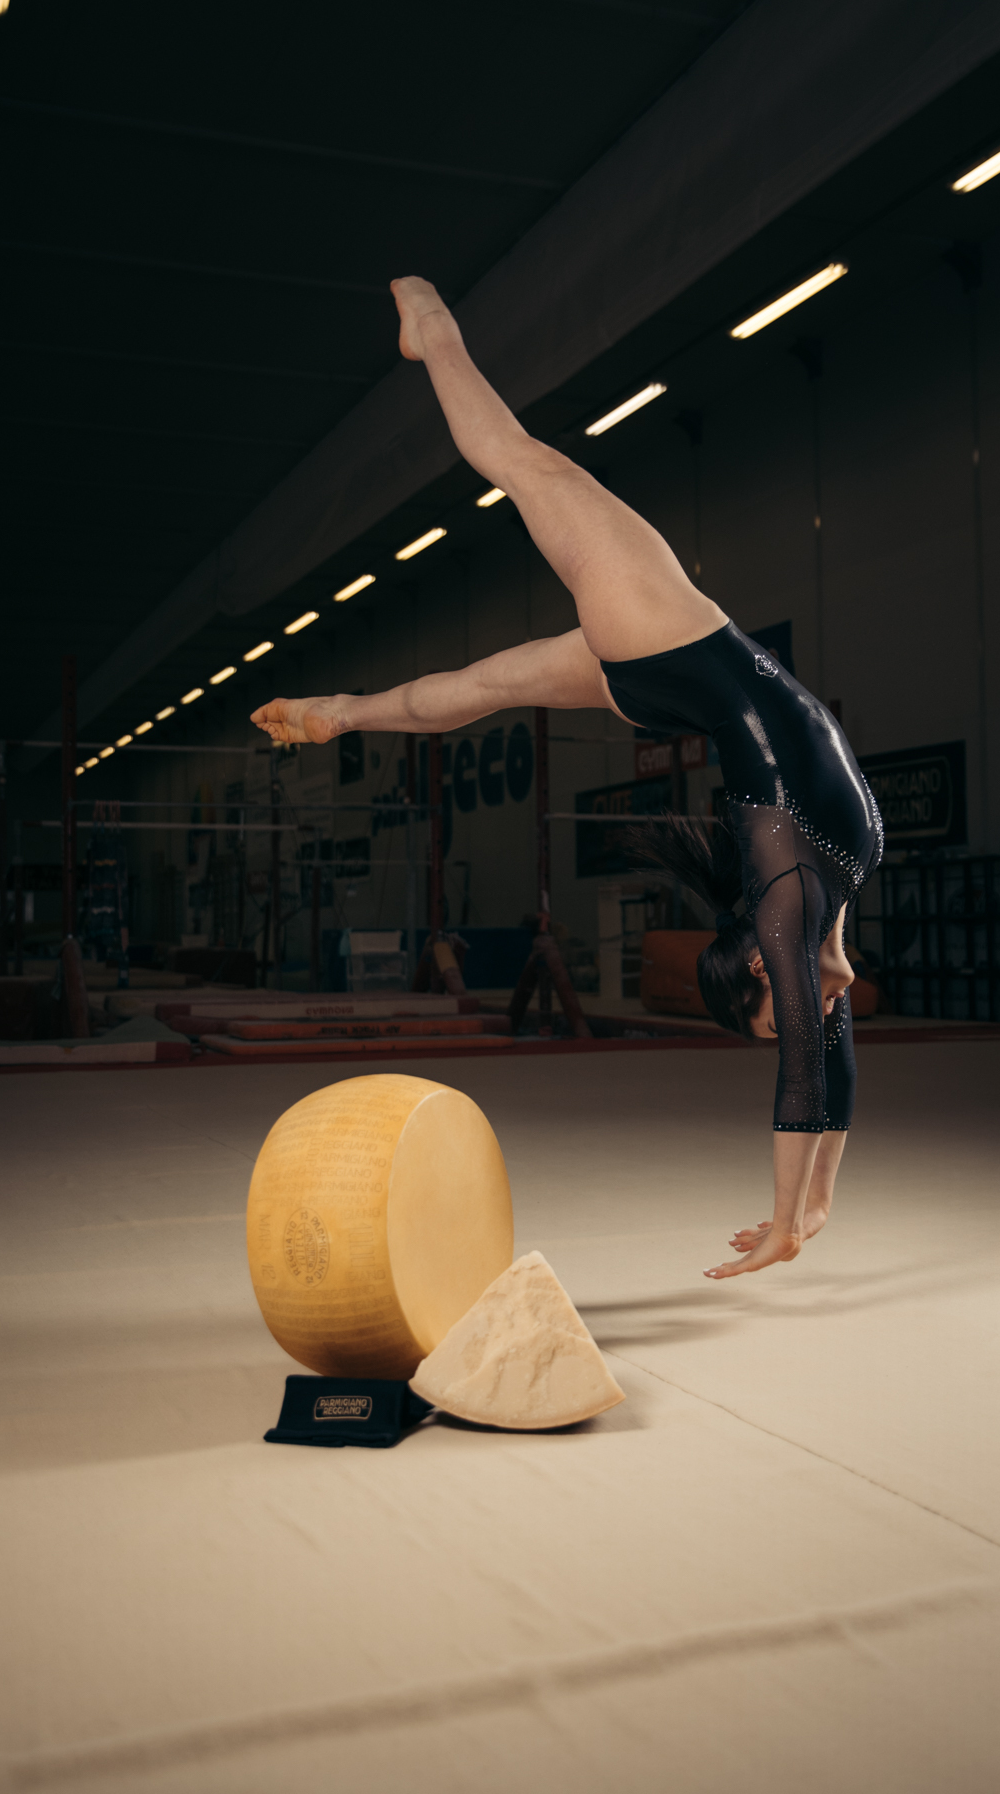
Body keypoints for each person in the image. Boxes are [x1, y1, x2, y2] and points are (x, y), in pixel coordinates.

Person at [252, 277, 883, 1279]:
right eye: (793, 1005)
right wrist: (797, 1215)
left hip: (658, 649)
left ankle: (345, 703)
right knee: (492, 587)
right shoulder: (807, 904)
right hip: (668, 654)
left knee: (498, 578)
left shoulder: (796, 902)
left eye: (784, 1003)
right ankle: (340, 703)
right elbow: (817, 1065)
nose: (814, 1008)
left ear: (765, 967)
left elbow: (813, 1063)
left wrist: (794, 1215)